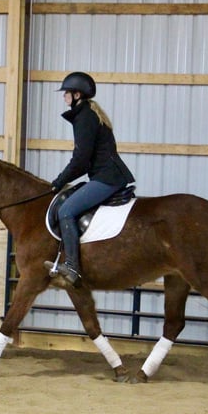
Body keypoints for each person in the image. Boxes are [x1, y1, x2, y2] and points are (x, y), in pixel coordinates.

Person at [45, 71, 135, 287]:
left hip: (107, 178)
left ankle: (72, 267)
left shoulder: (84, 118)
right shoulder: (87, 114)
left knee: (66, 210)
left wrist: (58, 181)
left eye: (67, 93)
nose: (64, 96)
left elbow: (81, 160)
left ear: (77, 95)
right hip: (107, 175)